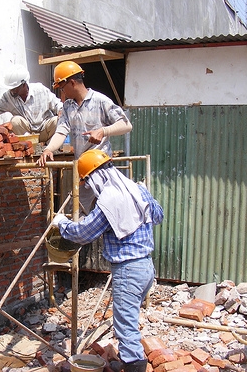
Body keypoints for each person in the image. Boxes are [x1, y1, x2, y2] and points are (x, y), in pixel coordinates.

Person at [51, 149, 164, 372]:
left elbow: (83, 233)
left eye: (86, 181)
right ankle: (128, 362)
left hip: (128, 271)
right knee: (130, 320)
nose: (86, 186)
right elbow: (158, 215)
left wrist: (61, 223)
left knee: (126, 329)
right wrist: (146, 199)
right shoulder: (137, 189)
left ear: (94, 176)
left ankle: (133, 365)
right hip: (146, 268)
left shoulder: (109, 199)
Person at [37, 60, 133, 214]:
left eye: (62, 88)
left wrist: (103, 131)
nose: (63, 93)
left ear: (72, 83)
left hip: (101, 167)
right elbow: (61, 131)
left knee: (108, 210)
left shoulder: (100, 101)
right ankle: (82, 237)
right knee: (78, 211)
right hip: (83, 169)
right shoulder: (68, 106)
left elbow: (126, 125)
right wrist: (49, 149)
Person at [0, 65, 62, 143]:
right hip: (27, 134)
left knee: (57, 121)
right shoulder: (8, 97)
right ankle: (28, 148)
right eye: (11, 88)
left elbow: (57, 104)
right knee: (15, 121)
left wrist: (61, 111)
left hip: (45, 130)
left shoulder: (40, 90)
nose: (12, 91)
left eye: (15, 88)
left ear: (24, 84)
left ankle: (50, 149)